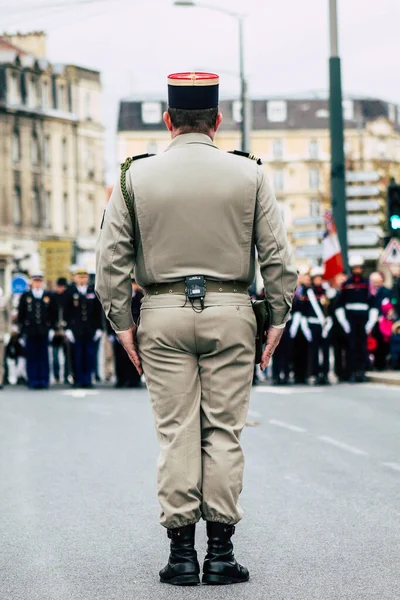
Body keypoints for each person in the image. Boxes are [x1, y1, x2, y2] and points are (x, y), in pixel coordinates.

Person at [96, 71, 297, 586]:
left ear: (168, 121)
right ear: (217, 121)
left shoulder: (132, 178)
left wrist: (122, 324)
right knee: (223, 433)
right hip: (232, 310)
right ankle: (222, 554)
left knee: (176, 432)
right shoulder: (249, 174)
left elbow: (111, 261)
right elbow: (277, 256)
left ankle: (182, 555)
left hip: (161, 312)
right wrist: (275, 317)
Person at [335, 256, 378, 382]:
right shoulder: (346, 285)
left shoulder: (367, 284)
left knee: (362, 347)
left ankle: (362, 371)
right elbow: (340, 304)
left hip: (363, 319)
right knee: (351, 347)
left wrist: (371, 321)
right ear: (352, 269)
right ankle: (352, 372)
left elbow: (373, 303)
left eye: (359, 267)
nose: (358, 269)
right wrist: (344, 322)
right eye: (355, 268)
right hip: (350, 320)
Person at [63, 267, 103, 388]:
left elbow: (98, 311)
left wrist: (99, 328)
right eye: (79, 277)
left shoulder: (93, 291)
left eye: (84, 277)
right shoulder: (69, 292)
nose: (82, 279)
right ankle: (77, 379)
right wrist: (67, 329)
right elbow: (66, 312)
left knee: (89, 355)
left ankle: (87, 379)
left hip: (90, 329)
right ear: (74, 278)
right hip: (75, 330)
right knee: (76, 355)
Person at [17, 272, 57, 389]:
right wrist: (21, 331)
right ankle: (33, 379)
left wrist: (53, 329)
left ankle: (44, 379)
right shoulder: (26, 296)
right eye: (35, 281)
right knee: (32, 356)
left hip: (44, 330)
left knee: (43, 356)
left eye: (39, 281)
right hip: (30, 331)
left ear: (42, 282)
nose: (37, 283)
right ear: (31, 282)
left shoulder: (48, 295)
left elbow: (53, 314)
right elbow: (21, 315)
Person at [109, 275, 144, 388]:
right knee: (120, 357)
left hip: (137, 331)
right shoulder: (119, 298)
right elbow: (111, 314)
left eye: (133, 284)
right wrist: (111, 332)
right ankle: (121, 379)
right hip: (121, 331)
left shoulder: (141, 297)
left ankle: (135, 379)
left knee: (135, 356)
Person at [303, 267, 330, 385]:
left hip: (324, 325)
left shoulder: (326, 292)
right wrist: (305, 328)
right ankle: (313, 373)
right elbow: (304, 310)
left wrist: (327, 323)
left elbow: (330, 309)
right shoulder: (308, 292)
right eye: (316, 278)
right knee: (313, 351)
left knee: (325, 351)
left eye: (320, 278)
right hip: (312, 324)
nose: (319, 280)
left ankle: (325, 373)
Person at [290, 269, 312, 384]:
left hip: (304, 322)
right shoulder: (290, 290)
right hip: (293, 322)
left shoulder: (306, 290)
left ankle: (304, 374)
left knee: (304, 350)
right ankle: (296, 373)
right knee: (294, 350)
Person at [52, 277, 70, 384]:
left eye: (62, 287)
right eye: (58, 287)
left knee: (67, 354)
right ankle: (56, 375)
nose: (60, 289)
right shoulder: (53, 297)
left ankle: (67, 375)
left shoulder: (68, 297)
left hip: (66, 329)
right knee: (55, 355)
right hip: (55, 330)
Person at [0, 287, 11, 389]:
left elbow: (8, 318)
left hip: (1, 334)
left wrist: (8, 332)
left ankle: (0, 380)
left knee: (0, 360)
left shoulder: (3, 301)